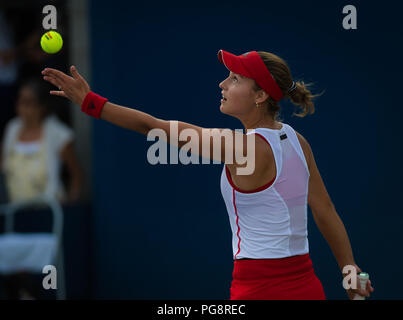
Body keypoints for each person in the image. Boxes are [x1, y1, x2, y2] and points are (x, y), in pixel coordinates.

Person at [42, 49, 374, 300]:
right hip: (307, 287)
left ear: (260, 96)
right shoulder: (296, 140)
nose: (223, 83)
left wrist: (90, 102)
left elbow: (152, 126)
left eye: (235, 79)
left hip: (257, 290)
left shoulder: (238, 148)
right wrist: (349, 269)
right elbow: (324, 209)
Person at [1, 78, 83, 204]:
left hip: (49, 211)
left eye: (28, 102)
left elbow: (76, 175)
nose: (22, 107)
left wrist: (69, 207)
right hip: (15, 211)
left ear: (42, 106)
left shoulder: (57, 133)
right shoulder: (12, 129)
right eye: (20, 101)